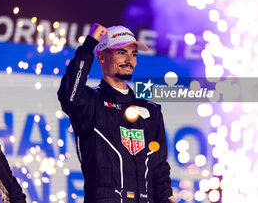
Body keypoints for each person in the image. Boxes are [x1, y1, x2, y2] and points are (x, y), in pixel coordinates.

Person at [57, 23, 174, 203]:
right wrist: (89, 44)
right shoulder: (90, 103)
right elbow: (69, 95)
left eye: (133, 54)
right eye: (122, 53)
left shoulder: (151, 111)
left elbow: (159, 170)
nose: (130, 60)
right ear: (101, 56)